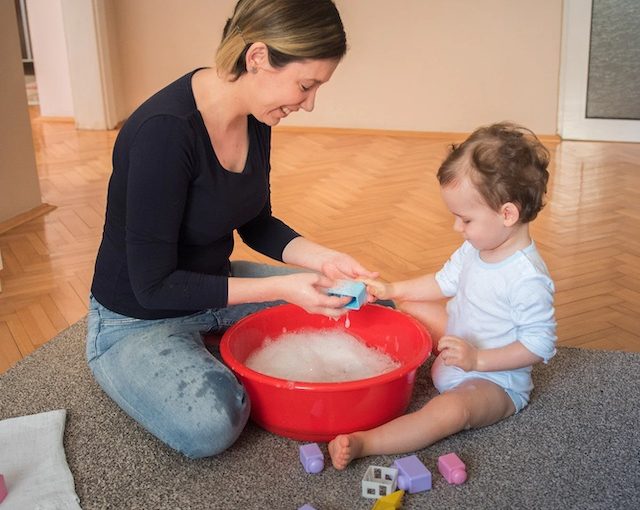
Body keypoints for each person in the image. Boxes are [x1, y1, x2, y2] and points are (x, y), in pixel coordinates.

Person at [87, 0, 377, 459]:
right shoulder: (164, 132)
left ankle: (218, 348)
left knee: (358, 306)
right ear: (258, 57)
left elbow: (257, 223)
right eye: (306, 85)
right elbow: (153, 288)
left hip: (211, 287)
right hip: (136, 318)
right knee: (211, 425)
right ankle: (155, 362)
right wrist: (284, 290)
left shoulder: (258, 115)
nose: (309, 103)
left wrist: (321, 259)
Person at [328, 122, 557, 470]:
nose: (457, 229)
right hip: (459, 340)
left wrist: (477, 360)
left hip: (494, 381)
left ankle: (366, 442)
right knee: (408, 306)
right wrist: (392, 290)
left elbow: (539, 346)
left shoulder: (527, 278)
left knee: (450, 411)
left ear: (507, 214)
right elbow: (442, 282)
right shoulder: (475, 246)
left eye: (465, 220)